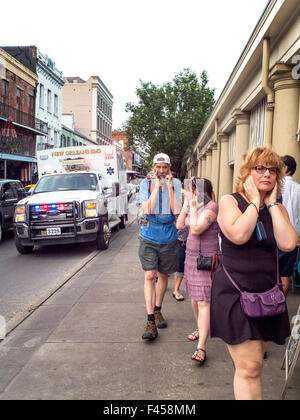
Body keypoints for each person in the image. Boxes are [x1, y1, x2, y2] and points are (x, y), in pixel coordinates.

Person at [211, 146, 298, 400]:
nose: (267, 174)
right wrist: (254, 202)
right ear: (248, 173)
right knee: (250, 367)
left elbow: (288, 243)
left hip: (267, 297)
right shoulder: (230, 202)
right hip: (235, 294)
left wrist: (270, 206)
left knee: (254, 365)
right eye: (260, 168)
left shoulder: (277, 209)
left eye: (272, 170)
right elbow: (239, 235)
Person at [139, 153, 182, 340]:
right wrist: (157, 186)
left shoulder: (177, 183)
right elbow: (147, 209)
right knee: (150, 275)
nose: (162, 171)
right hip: (149, 234)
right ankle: (150, 321)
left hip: (169, 235)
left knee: (164, 275)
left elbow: (177, 210)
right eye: (158, 167)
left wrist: (170, 188)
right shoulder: (145, 184)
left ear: (169, 167)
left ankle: (158, 309)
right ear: (153, 167)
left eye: (165, 167)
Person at [176, 178, 219, 365]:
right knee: (194, 298)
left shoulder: (212, 207)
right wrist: (187, 206)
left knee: (203, 302)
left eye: (192, 190)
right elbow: (179, 225)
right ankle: (201, 329)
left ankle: (202, 346)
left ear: (201, 192)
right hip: (191, 257)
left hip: (206, 260)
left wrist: (192, 208)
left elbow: (196, 228)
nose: (189, 193)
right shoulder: (193, 206)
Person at [279, 155, 300, 296]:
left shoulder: (277, 187)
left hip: (278, 235)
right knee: (285, 273)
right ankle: (281, 305)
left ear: (285, 168)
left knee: (272, 272)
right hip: (295, 238)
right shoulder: (299, 188)